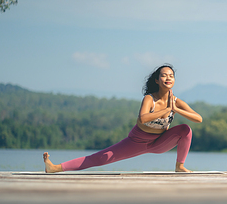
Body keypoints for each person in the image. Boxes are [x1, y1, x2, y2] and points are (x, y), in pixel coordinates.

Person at [43, 64, 202, 173]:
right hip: (136, 142)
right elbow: (143, 118)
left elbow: (198, 118)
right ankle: (54, 168)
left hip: (159, 143)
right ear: (156, 80)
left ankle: (179, 166)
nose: (168, 78)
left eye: (171, 76)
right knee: (100, 158)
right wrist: (167, 110)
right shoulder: (149, 99)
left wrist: (175, 109)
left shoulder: (176, 102)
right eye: (164, 75)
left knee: (185, 130)